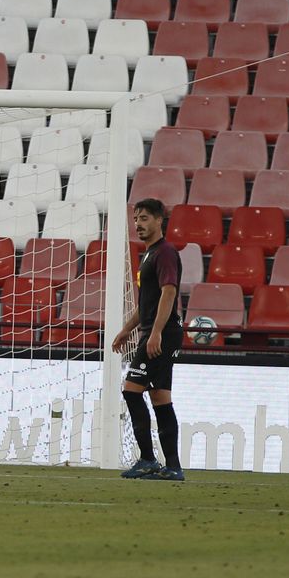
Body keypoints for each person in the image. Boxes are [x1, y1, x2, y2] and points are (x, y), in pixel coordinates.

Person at [113, 198, 186, 481]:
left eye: (144, 218)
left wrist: (155, 332)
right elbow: (146, 302)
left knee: (132, 391)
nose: (138, 224)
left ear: (159, 220)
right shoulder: (149, 255)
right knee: (159, 397)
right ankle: (173, 467)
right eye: (136, 219)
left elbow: (169, 292)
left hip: (162, 334)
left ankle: (147, 460)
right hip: (156, 332)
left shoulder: (165, 253)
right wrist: (127, 329)